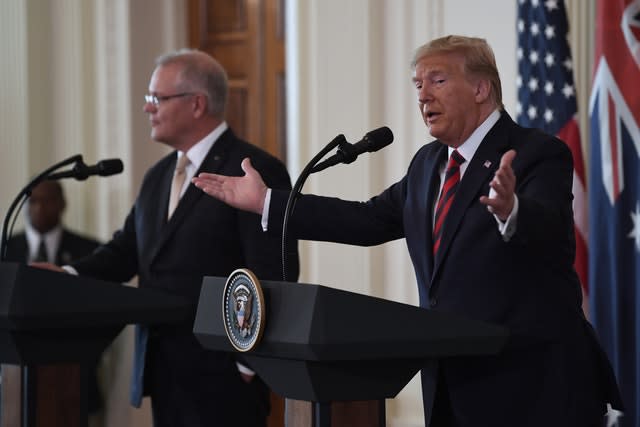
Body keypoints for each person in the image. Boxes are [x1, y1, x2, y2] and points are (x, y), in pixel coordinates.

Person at [192, 35, 623, 426]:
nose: (423, 95)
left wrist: (513, 210)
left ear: (480, 88)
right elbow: (367, 220)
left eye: (437, 80)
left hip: (532, 385)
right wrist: (267, 202)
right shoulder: (428, 163)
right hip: (451, 383)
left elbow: (552, 233)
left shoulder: (536, 153)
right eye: (417, 84)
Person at [33, 49, 297, 427]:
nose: (147, 108)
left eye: (156, 98)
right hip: (163, 368)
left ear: (196, 104)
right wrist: (67, 276)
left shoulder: (253, 170)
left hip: (224, 377)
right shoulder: (158, 176)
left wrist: (248, 363)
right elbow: (127, 251)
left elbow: (274, 270)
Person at [4, 179, 104, 416]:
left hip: (75, 380)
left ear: (62, 204)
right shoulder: (5, 250)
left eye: (47, 200)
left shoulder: (90, 251)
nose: (39, 208)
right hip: (12, 382)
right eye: (33, 201)